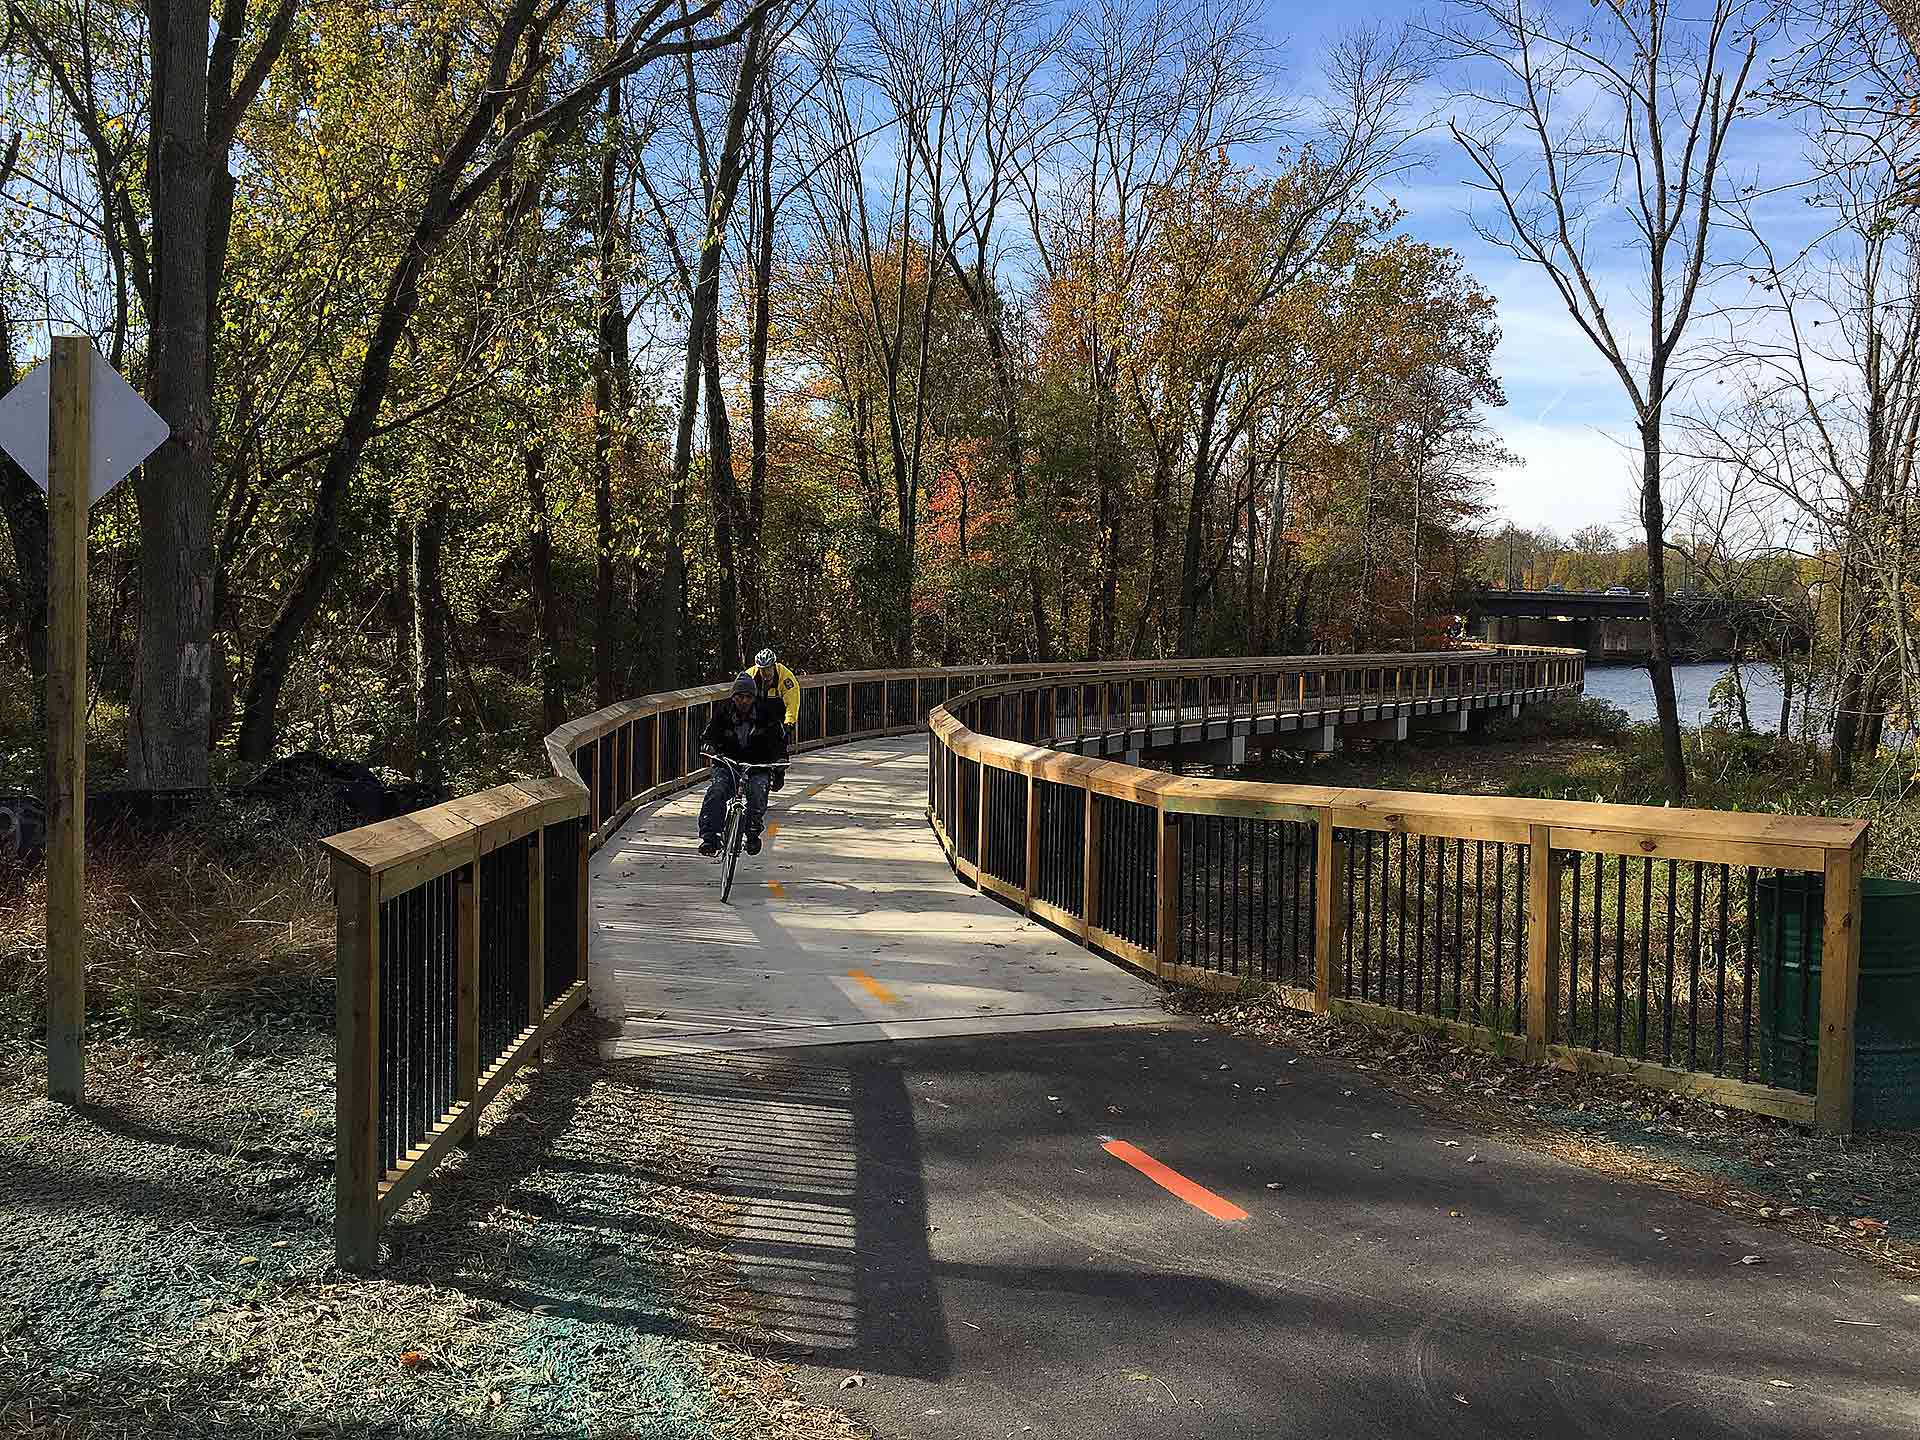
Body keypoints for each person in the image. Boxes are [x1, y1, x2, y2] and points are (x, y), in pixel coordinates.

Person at [698, 672, 787, 856]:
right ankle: (710, 837)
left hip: (757, 766)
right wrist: (709, 744)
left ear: (754, 697)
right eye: (739, 696)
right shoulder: (723, 712)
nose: (744, 701)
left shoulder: (766, 714)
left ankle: (752, 832)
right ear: (733, 697)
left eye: (748, 697)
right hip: (728, 764)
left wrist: (779, 768)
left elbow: (779, 743)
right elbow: (710, 733)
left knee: (757, 792)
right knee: (717, 791)